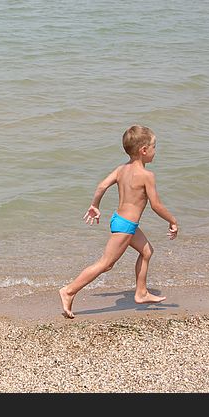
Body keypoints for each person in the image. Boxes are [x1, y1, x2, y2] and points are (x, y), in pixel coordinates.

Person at [59, 125, 178, 319]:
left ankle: (141, 292)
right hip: (126, 226)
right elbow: (156, 205)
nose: (156, 151)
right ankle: (69, 291)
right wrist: (172, 221)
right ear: (144, 150)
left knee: (147, 251)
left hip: (121, 221)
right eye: (154, 147)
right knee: (105, 264)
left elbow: (101, 185)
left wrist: (95, 205)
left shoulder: (121, 169)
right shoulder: (148, 176)